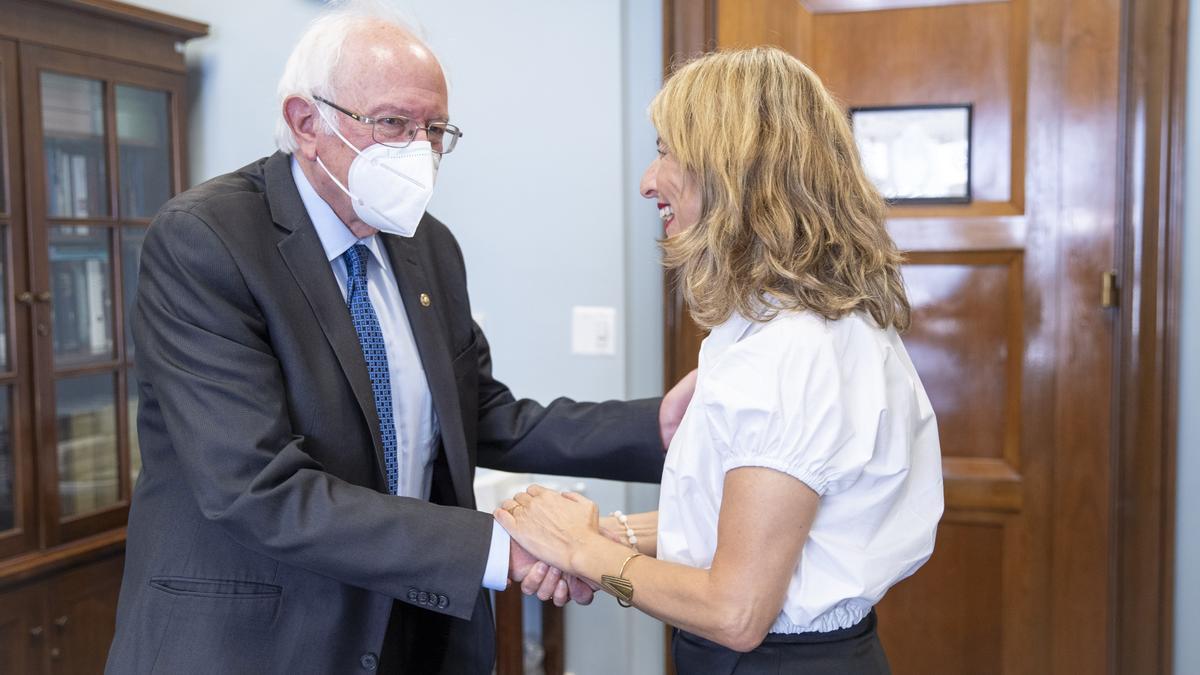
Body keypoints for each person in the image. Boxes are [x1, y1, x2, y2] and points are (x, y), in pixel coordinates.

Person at [104, 3, 695, 673]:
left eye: (434, 128)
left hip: (408, 633)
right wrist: (499, 548)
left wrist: (659, 428)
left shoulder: (427, 246)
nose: (419, 148)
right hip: (258, 641)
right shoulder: (207, 241)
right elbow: (256, 487)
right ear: (307, 122)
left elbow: (479, 416)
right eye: (393, 123)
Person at [497, 47, 944, 675]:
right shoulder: (808, 323)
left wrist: (577, 549)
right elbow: (752, 526)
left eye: (665, 150)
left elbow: (736, 611)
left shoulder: (792, 350)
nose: (649, 180)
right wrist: (611, 537)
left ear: (732, 169)